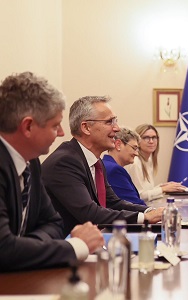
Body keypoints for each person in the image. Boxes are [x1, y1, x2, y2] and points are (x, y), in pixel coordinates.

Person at [0, 72, 104, 271]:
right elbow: (3, 249)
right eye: (55, 125)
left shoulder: (32, 163)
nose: (62, 133)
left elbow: (54, 222)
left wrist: (26, 245)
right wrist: (77, 246)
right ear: (28, 126)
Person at [42, 96, 163, 235]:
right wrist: (144, 218)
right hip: (64, 247)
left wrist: (150, 212)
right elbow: (89, 213)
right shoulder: (65, 162)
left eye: (115, 121)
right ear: (86, 127)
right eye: (109, 122)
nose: (117, 128)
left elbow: (113, 202)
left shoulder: (96, 161)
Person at [125, 124, 184, 202]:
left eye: (154, 137)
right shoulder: (135, 162)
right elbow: (139, 196)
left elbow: (147, 190)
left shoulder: (149, 160)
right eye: (146, 138)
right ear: (137, 140)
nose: (151, 141)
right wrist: (162, 189)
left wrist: (163, 186)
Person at [103, 127, 145, 205]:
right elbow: (132, 204)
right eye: (134, 148)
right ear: (118, 145)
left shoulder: (106, 165)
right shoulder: (114, 170)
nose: (137, 153)